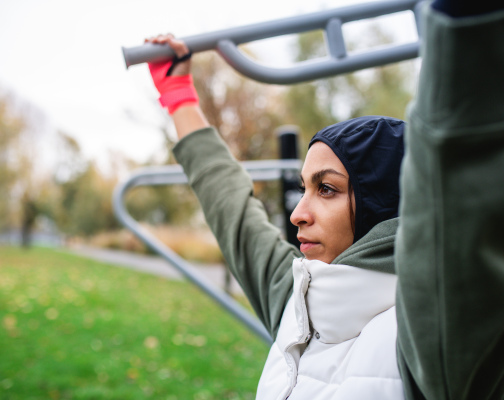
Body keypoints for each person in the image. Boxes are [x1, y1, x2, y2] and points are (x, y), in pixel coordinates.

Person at [143, 0, 504, 398]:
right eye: (304, 188)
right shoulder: (296, 301)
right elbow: (230, 206)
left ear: (384, 202)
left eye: (327, 189)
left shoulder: (435, 336)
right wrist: (179, 96)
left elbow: (460, 162)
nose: (298, 213)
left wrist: (469, 28)